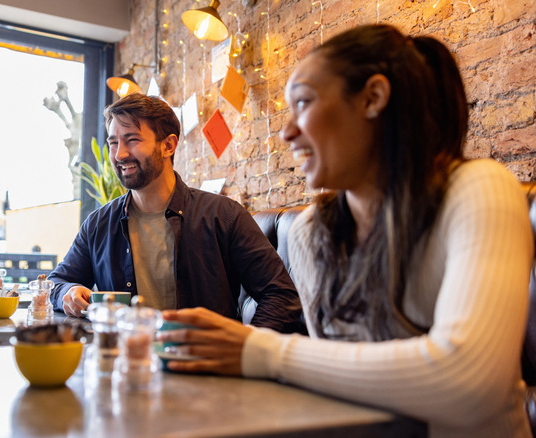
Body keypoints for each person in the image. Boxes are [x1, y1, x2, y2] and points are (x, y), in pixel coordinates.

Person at [159, 24, 533, 437]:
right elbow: (341, 386)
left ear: (373, 98)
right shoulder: (311, 234)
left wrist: (257, 351)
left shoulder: (479, 190)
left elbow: (470, 384)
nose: (287, 132)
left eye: (303, 103)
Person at [49, 93, 304, 333]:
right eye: (113, 142)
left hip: (201, 368)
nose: (119, 154)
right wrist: (67, 292)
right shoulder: (99, 224)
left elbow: (281, 297)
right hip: (125, 363)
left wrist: (242, 349)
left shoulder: (224, 215)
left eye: (132, 140)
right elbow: (58, 282)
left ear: (168, 145)